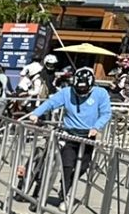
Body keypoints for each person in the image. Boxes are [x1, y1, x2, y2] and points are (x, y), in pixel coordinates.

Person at [28, 64, 111, 203]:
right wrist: (36, 114)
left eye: (85, 88)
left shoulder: (101, 93)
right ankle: (64, 193)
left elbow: (106, 113)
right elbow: (51, 103)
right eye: (79, 87)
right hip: (69, 134)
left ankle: (69, 184)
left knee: (82, 167)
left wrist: (96, 127)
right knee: (67, 165)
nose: (81, 90)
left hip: (88, 136)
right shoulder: (67, 92)